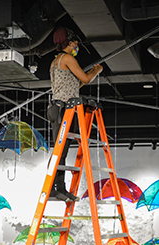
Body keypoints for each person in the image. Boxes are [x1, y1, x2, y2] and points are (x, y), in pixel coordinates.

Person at [47, 27, 103, 202]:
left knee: (62, 151)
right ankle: (53, 189)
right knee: (60, 151)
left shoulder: (56, 60)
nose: (77, 45)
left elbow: (75, 87)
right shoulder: (68, 58)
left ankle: (60, 188)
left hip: (64, 107)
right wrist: (96, 71)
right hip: (63, 108)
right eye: (75, 42)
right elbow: (85, 79)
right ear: (69, 43)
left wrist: (89, 75)